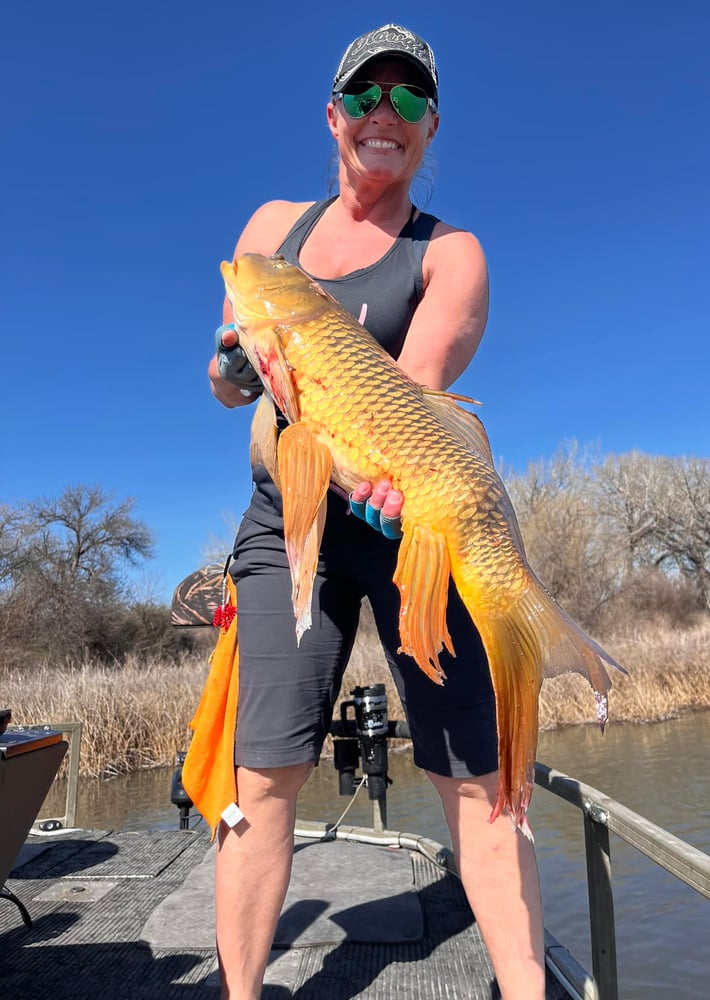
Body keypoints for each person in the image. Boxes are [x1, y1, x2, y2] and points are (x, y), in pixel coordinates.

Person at [207, 24, 546, 1000]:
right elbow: (226, 382)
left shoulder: (453, 253)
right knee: (261, 777)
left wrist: (379, 474)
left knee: (480, 782)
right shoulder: (271, 228)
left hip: (414, 527)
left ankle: (527, 988)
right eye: (364, 96)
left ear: (430, 125)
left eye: (406, 99)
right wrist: (242, 358)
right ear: (334, 115)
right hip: (288, 531)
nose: (382, 114)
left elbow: (408, 402)